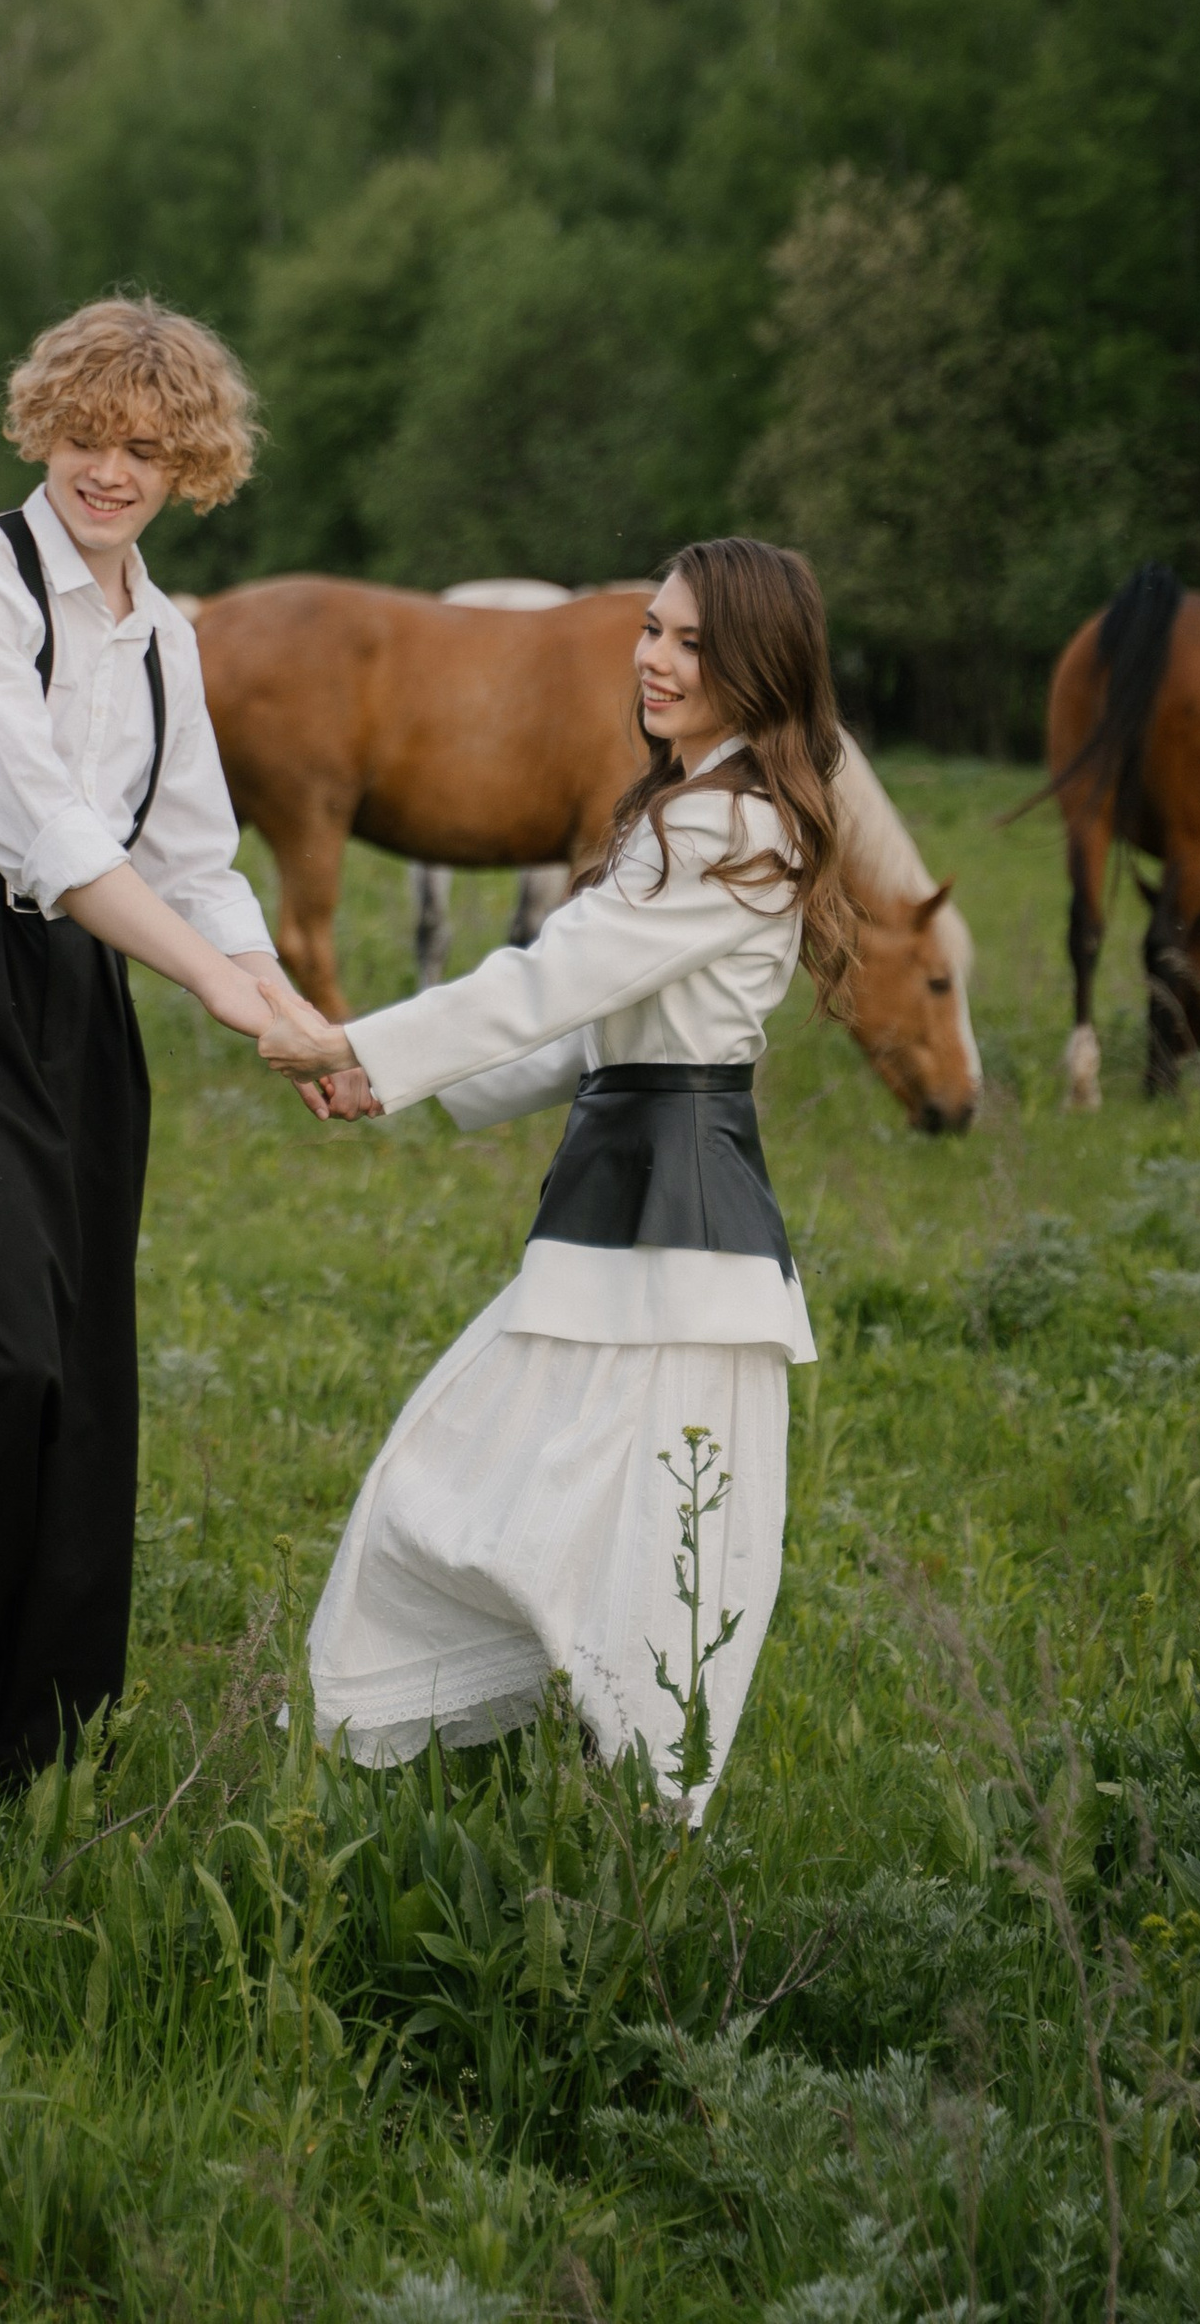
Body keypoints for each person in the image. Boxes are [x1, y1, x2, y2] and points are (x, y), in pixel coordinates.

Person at [259, 538, 852, 1815]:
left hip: (682, 1230)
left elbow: (553, 975)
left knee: (653, 1548)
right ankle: (574, 1782)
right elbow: (595, 1027)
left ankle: (642, 1832)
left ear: (759, 663)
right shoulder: (696, 809)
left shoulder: (726, 825)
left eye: (692, 641)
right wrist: (402, 1084)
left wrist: (358, 1039)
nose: (653, 658)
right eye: (651, 629)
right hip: (622, 1205)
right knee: (481, 1489)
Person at [0, 297, 344, 1815]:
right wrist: (209, 979)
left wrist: (286, 1012)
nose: (109, 471)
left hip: (85, 990)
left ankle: (44, 1740)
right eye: (86, 435)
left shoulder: (165, 637)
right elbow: (46, 832)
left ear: (191, 466)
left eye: (146, 448)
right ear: (39, 425)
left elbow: (196, 855)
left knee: (84, 1374)